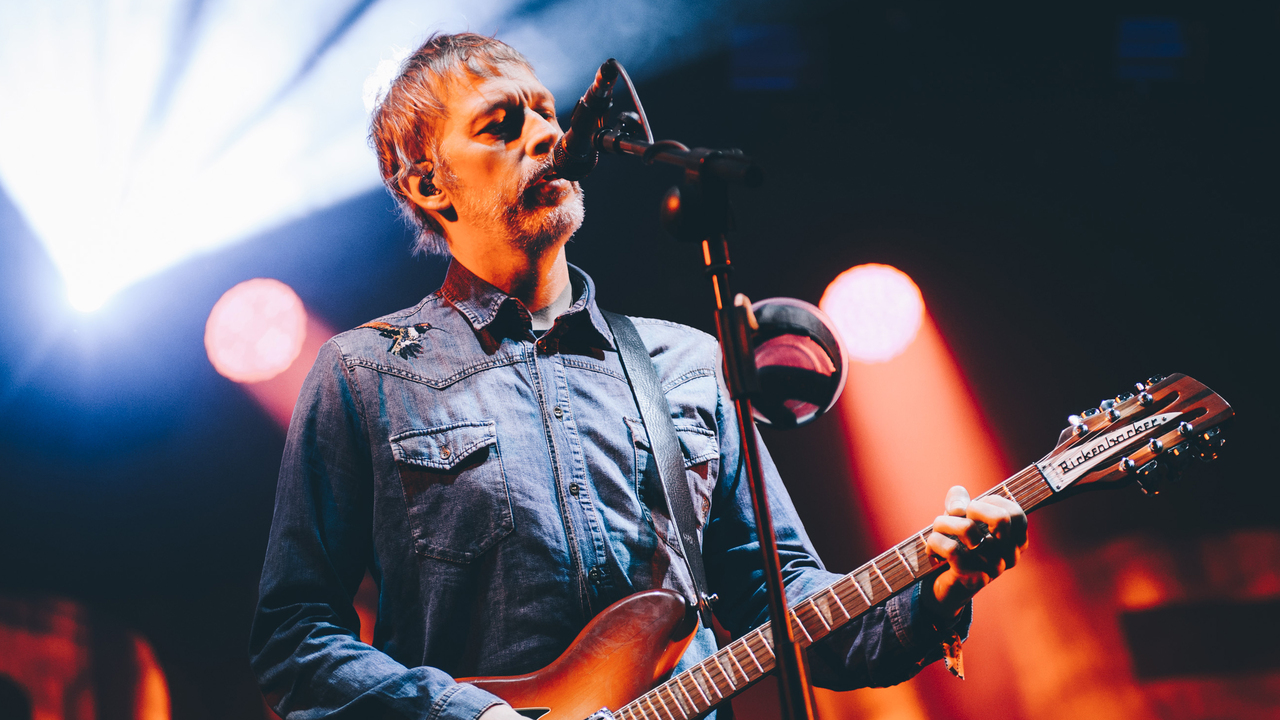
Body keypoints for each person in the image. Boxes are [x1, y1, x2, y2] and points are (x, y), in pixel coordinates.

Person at [248, 32, 1029, 720]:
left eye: (546, 112)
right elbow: (294, 640)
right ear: (427, 183)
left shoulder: (686, 365)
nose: (546, 135)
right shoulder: (365, 374)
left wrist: (937, 587)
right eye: (501, 125)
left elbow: (787, 603)